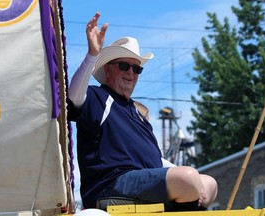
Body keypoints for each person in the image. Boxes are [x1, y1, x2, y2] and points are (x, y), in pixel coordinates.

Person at [67, 12, 218, 211]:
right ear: (108, 70)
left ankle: (183, 202)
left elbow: (155, 159)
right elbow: (72, 99)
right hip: (111, 184)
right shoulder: (98, 98)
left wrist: (193, 180)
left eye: (137, 69)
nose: (131, 73)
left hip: (145, 181)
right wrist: (92, 55)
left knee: (209, 182)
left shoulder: (137, 114)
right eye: (124, 66)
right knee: (189, 179)